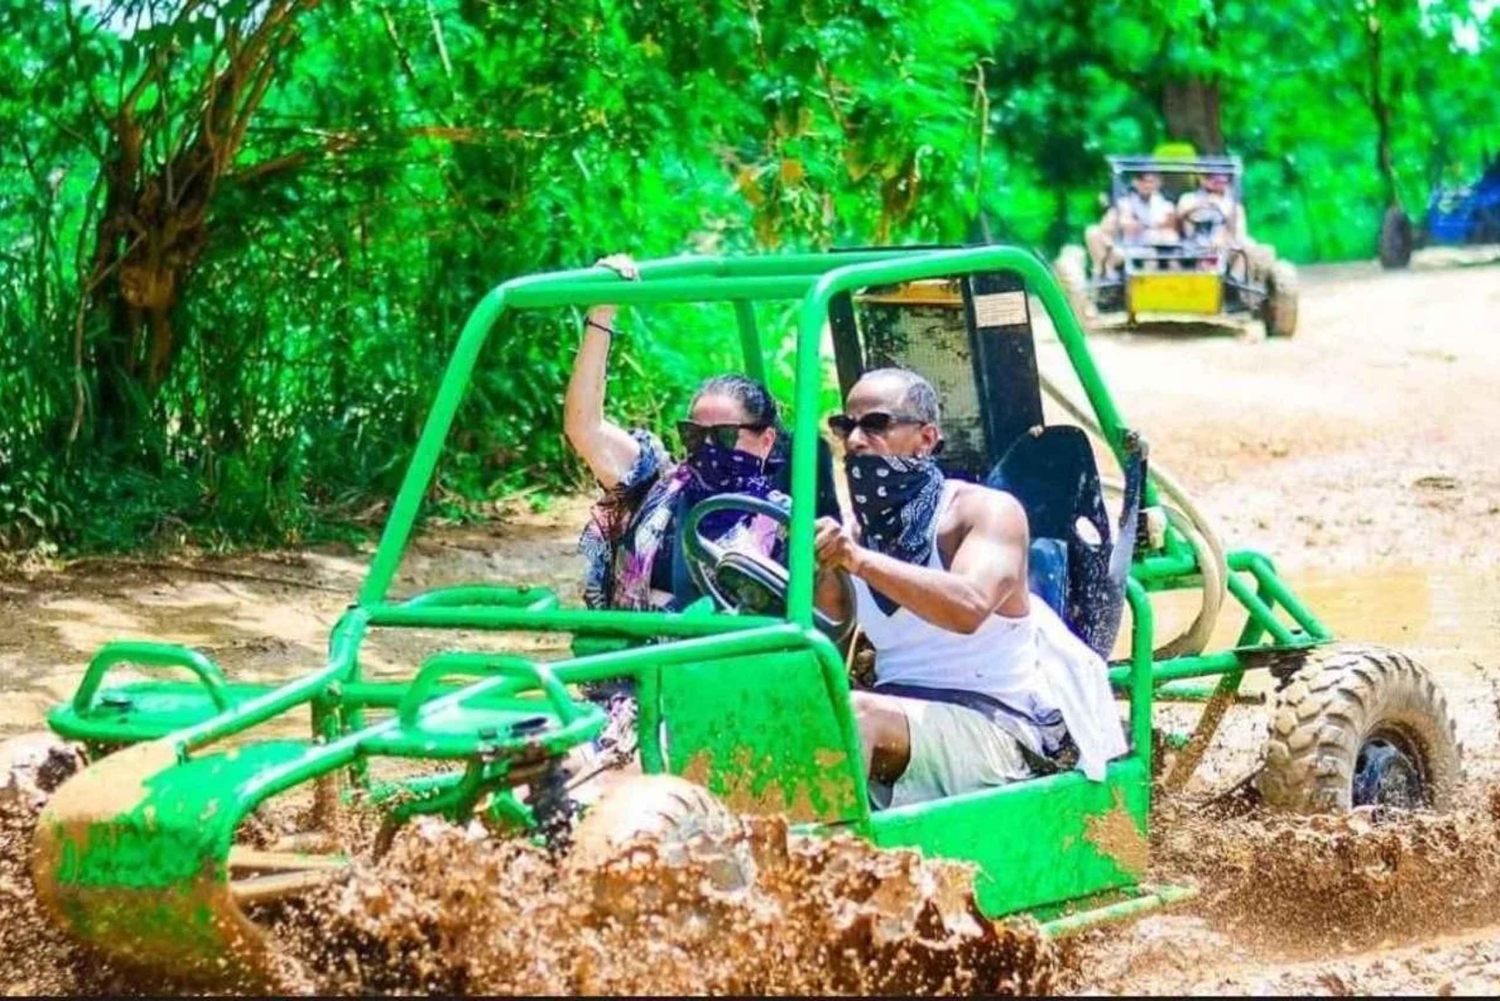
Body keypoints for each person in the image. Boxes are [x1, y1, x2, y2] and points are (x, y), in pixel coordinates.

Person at [812, 368, 1126, 810]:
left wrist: (859, 561)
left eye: (876, 424)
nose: (856, 441)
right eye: (846, 426)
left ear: (926, 438)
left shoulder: (984, 511)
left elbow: (969, 607)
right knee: (792, 714)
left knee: (853, 719)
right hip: (902, 716)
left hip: (997, 724)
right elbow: (823, 626)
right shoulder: (855, 532)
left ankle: (818, 871)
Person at [566, 255, 790, 613]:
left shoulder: (784, 523)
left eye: (726, 436)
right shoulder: (657, 488)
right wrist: (602, 314)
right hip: (635, 663)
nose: (708, 448)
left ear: (765, 441)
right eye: (694, 435)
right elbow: (584, 427)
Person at [1176, 171, 1273, 279]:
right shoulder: (1189, 198)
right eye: (1211, 177)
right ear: (1202, 179)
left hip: (1224, 246)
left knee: (1247, 247)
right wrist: (1201, 205)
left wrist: (1223, 213)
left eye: (1222, 177)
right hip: (1194, 245)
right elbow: (1181, 220)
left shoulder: (1233, 205)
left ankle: (1234, 282)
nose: (1217, 180)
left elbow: (1238, 235)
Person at [1085, 170, 1179, 277]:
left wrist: (1144, 225)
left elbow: (1169, 226)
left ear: (1157, 184)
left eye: (1151, 182)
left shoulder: (1165, 204)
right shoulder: (1126, 202)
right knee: (1098, 238)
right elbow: (1127, 225)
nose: (1147, 185)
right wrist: (1136, 224)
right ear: (1135, 183)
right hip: (1128, 245)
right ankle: (1105, 278)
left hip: (1151, 246)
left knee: (1152, 255)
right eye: (1143, 181)